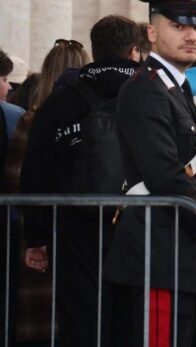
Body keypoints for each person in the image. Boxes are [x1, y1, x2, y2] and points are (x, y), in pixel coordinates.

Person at [105, 0, 196, 345]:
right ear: (151, 32)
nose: (191, 35)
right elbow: (165, 173)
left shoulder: (176, 87)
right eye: (178, 26)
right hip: (157, 249)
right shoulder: (146, 88)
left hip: (177, 249)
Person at [18, 15, 142, 344]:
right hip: (139, 226)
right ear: (134, 51)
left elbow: (37, 170)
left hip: (75, 228)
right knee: (131, 321)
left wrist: (36, 235)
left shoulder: (61, 101)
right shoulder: (151, 97)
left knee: (82, 322)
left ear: (95, 51)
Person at [4, 37, 91, 345]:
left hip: (36, 230)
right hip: (77, 231)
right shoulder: (91, 115)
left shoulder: (33, 117)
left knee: (41, 324)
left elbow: (15, 178)